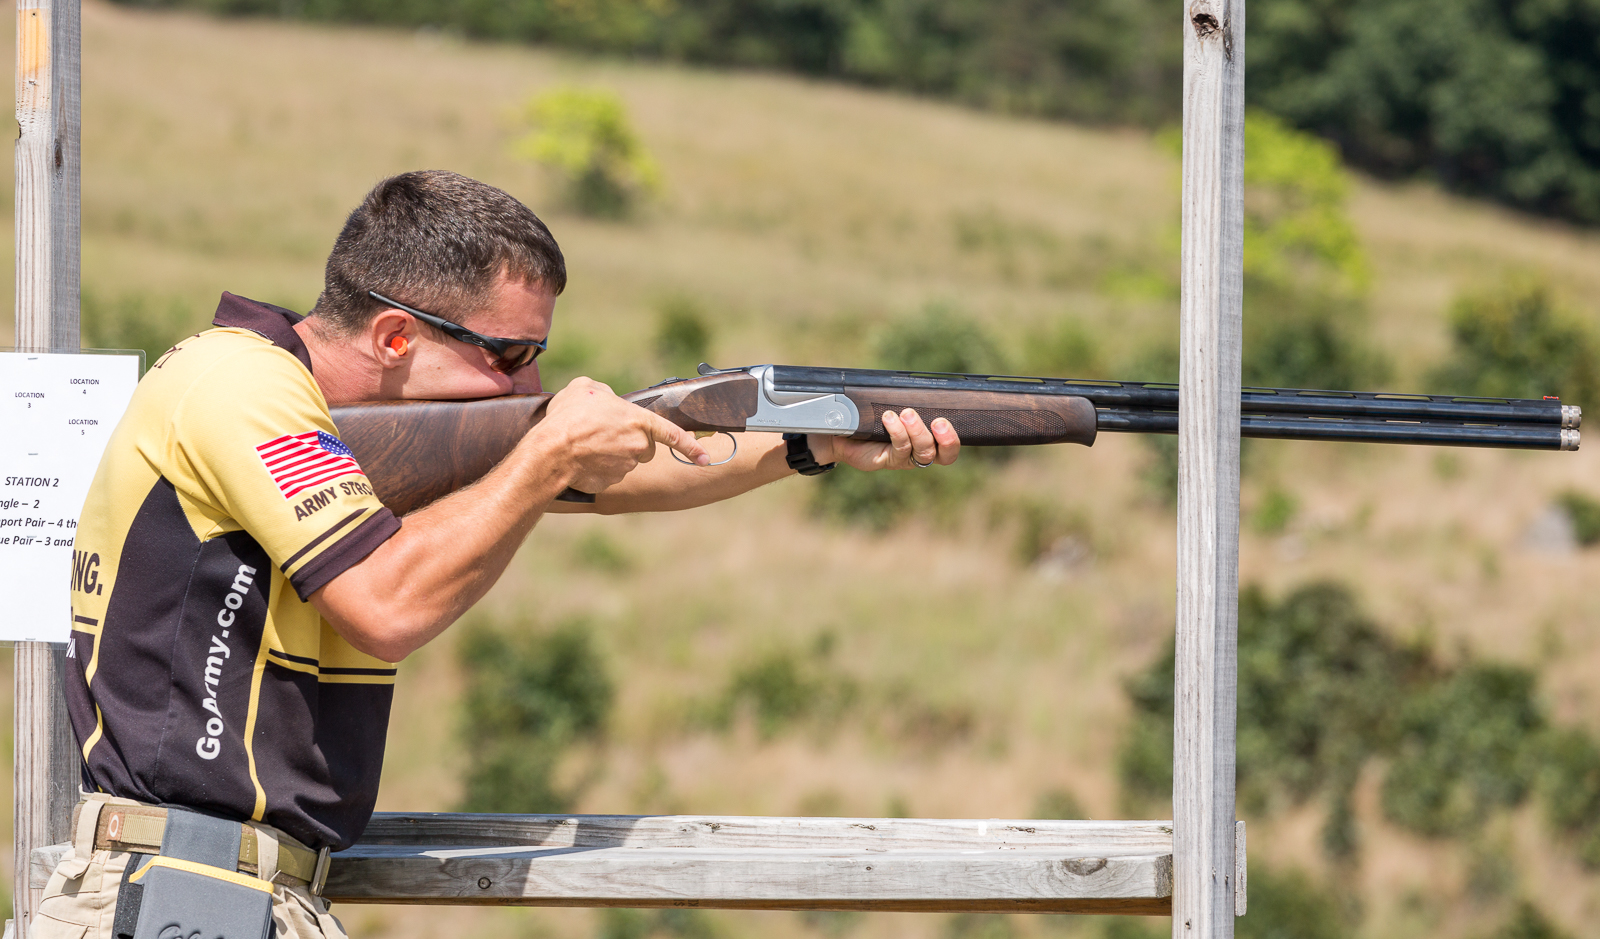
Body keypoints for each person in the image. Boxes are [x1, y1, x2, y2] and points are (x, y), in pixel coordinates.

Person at [37, 170, 961, 938]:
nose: (533, 386)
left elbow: (645, 470)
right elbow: (386, 605)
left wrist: (814, 441)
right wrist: (546, 452)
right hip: (178, 891)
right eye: (510, 355)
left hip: (233, 895)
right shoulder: (241, 384)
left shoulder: (325, 419)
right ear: (396, 336)